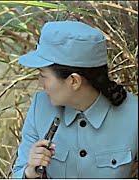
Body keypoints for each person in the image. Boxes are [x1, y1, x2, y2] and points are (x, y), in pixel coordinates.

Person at [12, 21, 138, 178]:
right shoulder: (40, 107)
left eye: (44, 76)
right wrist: (30, 172)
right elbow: (18, 173)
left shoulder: (134, 114)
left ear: (74, 81)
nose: (40, 84)